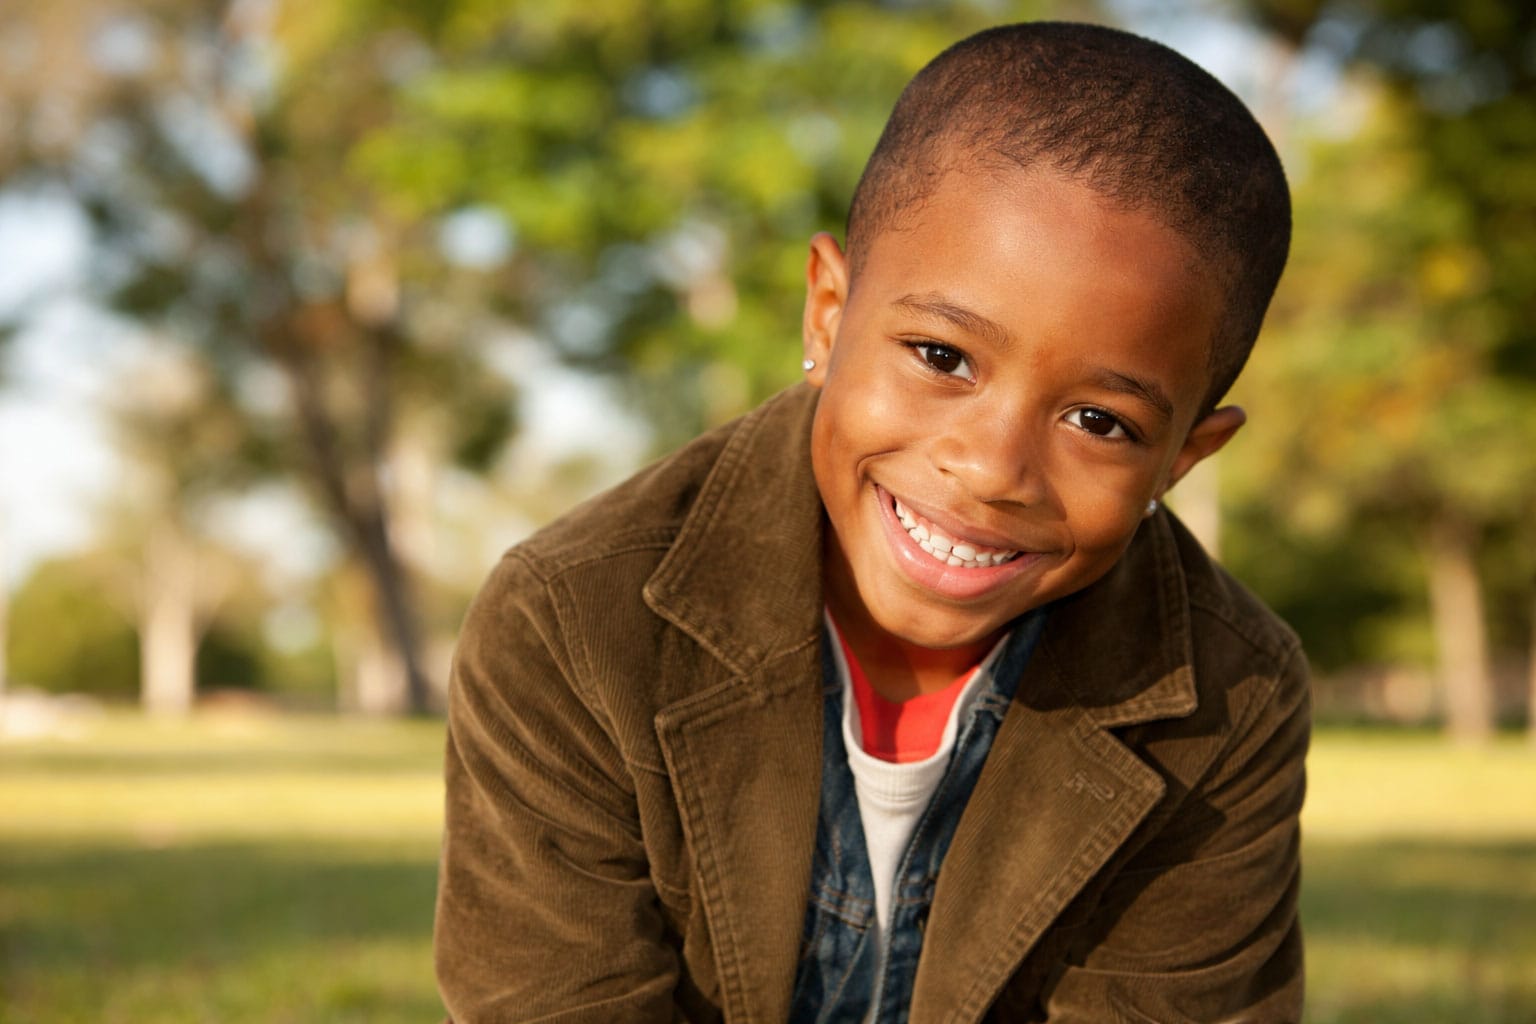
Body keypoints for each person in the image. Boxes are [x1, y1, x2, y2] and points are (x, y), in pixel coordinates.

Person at [434, 20, 1307, 1024]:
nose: (989, 469)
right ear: (827, 311)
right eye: (942, 356)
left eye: (1099, 421)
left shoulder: (1227, 696)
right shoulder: (573, 624)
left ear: (1185, 456)